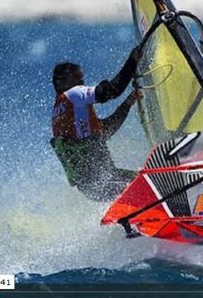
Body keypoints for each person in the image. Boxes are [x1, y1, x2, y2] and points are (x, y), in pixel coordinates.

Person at [50, 46, 143, 201]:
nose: (82, 82)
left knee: (144, 179)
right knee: (150, 184)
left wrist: (128, 102)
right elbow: (111, 90)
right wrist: (132, 61)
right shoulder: (73, 94)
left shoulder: (62, 110)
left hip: (93, 186)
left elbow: (106, 130)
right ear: (62, 82)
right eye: (77, 78)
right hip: (101, 180)